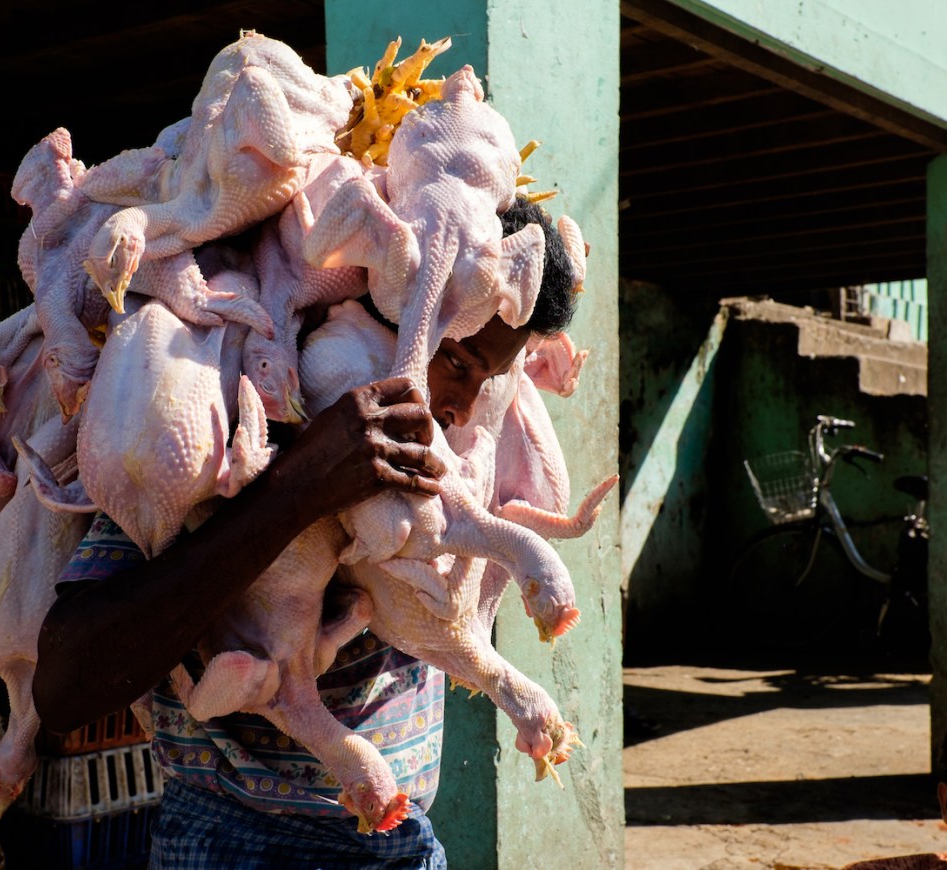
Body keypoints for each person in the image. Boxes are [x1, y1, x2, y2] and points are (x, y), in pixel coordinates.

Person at [32, 196, 578, 868]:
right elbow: (64, 687)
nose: (462, 407)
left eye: (489, 377)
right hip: (230, 847)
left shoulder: (456, 450)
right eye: (457, 363)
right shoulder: (206, 430)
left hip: (402, 844)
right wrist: (294, 492)